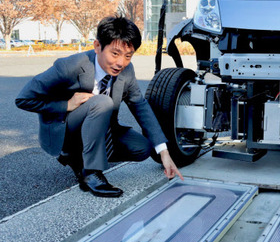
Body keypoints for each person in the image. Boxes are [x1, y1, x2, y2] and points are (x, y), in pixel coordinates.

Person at [16, 16, 183, 198]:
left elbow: (140, 106)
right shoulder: (70, 66)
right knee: (102, 102)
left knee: (142, 147)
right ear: (97, 46)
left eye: (128, 56)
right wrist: (66, 105)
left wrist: (164, 151)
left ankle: (78, 158)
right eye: (115, 53)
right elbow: (24, 98)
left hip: (100, 128)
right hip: (65, 129)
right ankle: (91, 173)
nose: (121, 62)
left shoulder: (127, 70)